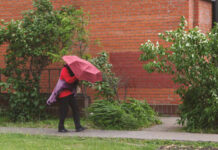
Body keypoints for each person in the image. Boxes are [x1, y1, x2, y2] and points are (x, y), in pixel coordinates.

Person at [57, 64, 86, 133]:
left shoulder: (73, 71)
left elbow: (75, 81)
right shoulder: (64, 70)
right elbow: (69, 80)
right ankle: (61, 127)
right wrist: (76, 75)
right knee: (64, 110)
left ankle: (78, 126)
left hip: (71, 93)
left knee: (76, 109)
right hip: (63, 94)